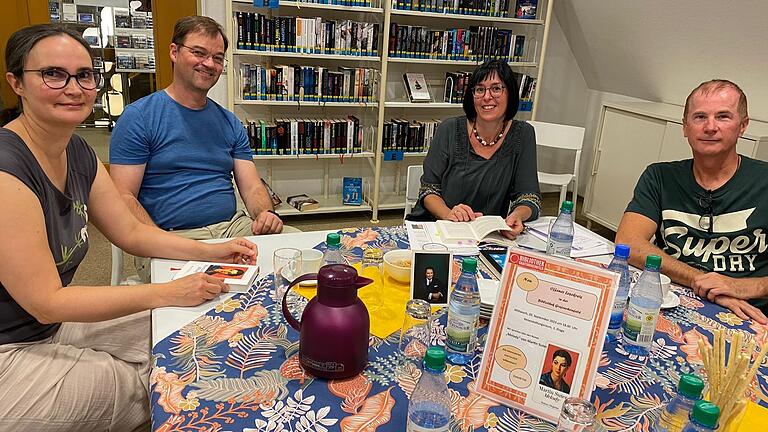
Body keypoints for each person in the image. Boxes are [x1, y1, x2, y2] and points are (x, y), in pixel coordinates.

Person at [0, 24, 258, 431]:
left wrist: (214, 250)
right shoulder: (7, 170)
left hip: (53, 326)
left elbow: (131, 233)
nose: (73, 88)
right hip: (13, 346)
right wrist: (167, 291)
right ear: (17, 82)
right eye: (53, 74)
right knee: (166, 383)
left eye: (85, 75)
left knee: (202, 336)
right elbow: (46, 300)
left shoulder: (78, 150)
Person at [109, 16, 292, 280]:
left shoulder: (229, 121)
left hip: (232, 229)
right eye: (199, 53)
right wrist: (158, 241)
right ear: (174, 52)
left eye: (218, 58)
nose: (209, 64)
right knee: (208, 291)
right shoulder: (139, 117)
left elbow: (252, 186)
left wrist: (265, 213)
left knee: (295, 255)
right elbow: (123, 197)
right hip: (171, 237)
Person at [615, 79, 768, 324]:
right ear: (685, 127)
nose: (710, 127)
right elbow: (628, 243)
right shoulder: (659, 177)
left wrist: (743, 287)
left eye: (723, 116)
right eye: (699, 117)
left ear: (743, 126)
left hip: (749, 314)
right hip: (670, 300)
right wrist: (702, 282)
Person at [406, 59, 541, 239]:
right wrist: (449, 214)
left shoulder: (523, 134)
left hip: (488, 235)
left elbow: (529, 196)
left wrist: (518, 215)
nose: (486, 97)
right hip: (439, 228)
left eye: (496, 88)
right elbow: (428, 191)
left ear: (511, 93)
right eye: (479, 89)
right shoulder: (449, 129)